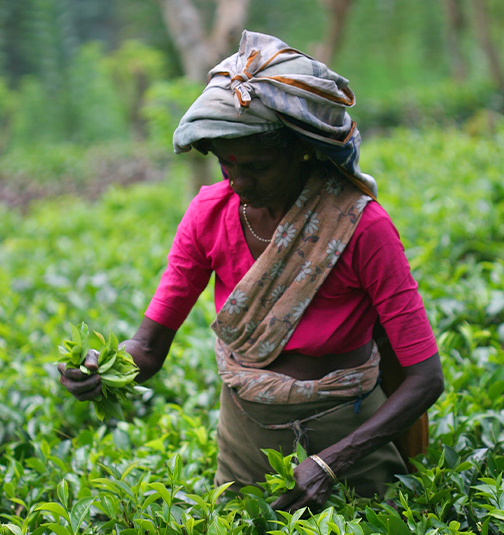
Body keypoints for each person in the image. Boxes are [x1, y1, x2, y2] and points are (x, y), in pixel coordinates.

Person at [59, 30, 444, 511]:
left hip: (348, 436)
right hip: (245, 434)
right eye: (227, 166)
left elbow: (426, 377)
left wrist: (332, 461)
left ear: (301, 150)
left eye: (257, 167)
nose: (239, 182)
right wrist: (104, 371)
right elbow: (149, 348)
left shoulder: (361, 227)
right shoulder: (208, 215)